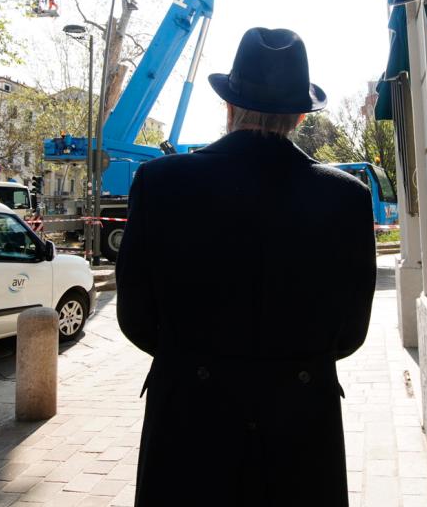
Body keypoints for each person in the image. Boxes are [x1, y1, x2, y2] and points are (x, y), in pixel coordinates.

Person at [116, 27, 377, 507]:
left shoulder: (159, 183)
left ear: (229, 108)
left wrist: (198, 357)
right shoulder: (347, 197)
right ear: (301, 115)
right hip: (301, 423)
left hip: (188, 420)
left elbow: (135, 317)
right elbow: (350, 332)